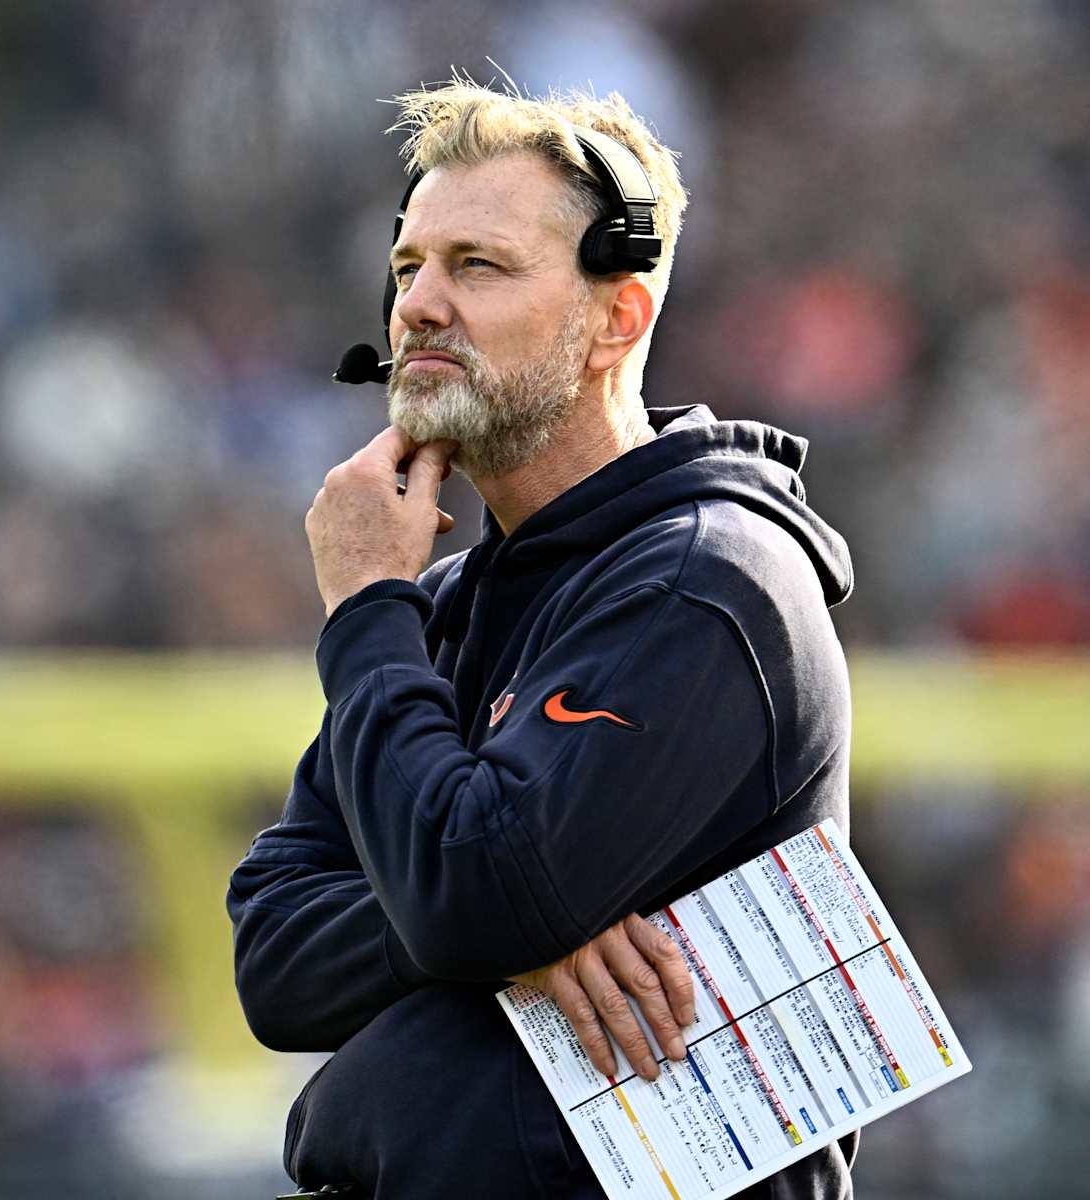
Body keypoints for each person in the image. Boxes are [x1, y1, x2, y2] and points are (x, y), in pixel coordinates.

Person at [227, 81, 858, 1198]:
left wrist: (370, 604)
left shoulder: (708, 578)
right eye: (409, 265)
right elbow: (273, 957)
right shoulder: (450, 604)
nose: (419, 303)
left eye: (478, 266)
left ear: (618, 317)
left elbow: (473, 895)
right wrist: (511, 936)